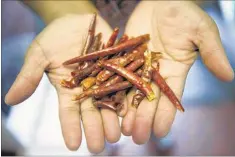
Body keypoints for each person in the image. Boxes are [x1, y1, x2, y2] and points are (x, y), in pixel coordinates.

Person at [5, 0, 234, 154]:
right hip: (78, 16)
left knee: (147, 99)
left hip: (158, 18)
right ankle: (108, 141)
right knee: (109, 109)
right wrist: (62, 9)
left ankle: (153, 132)